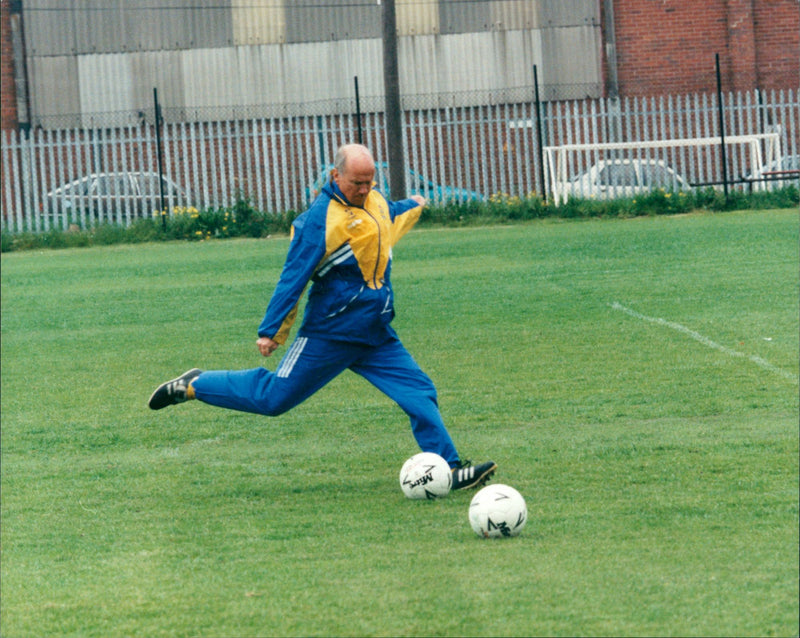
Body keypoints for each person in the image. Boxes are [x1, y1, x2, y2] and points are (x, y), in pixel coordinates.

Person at [148, 143, 496, 490]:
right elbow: (294, 275)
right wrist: (272, 331)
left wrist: (415, 205)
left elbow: (388, 216)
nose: (364, 190)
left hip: (375, 332)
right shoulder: (320, 219)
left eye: (370, 182)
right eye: (356, 183)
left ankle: (450, 469)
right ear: (335, 175)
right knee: (273, 399)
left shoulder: (373, 199)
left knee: (419, 392)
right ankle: (193, 385)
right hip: (330, 332)